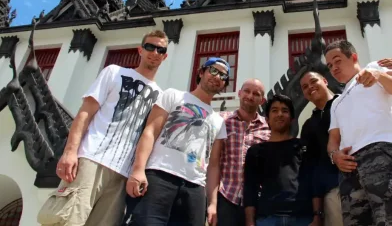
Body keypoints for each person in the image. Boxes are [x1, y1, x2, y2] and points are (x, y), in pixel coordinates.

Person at [37, 30, 169, 226]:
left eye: (160, 49)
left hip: (123, 173)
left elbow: (149, 137)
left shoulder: (161, 97)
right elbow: (85, 113)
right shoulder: (114, 72)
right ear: (140, 50)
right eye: (150, 47)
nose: (155, 52)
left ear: (165, 56)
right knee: (67, 220)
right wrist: (70, 152)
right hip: (91, 159)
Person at [124, 57, 230, 226]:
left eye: (223, 76)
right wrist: (138, 170)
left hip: (195, 188)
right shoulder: (173, 95)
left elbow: (214, 165)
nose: (217, 77)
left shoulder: (219, 121)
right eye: (214, 71)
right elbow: (150, 131)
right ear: (202, 72)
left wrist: (212, 203)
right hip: (159, 176)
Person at [325, 40, 392, 226]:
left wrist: (379, 76)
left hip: (383, 154)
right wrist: (335, 156)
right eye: (329, 65)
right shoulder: (336, 102)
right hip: (349, 171)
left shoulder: (374, 69)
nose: (334, 68)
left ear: (353, 57)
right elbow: (333, 140)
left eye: (337, 61)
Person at [299, 58, 392, 226]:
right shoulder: (309, 126)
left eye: (313, 81)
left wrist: (390, 76)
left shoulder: (349, 101)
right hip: (335, 191)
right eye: (304, 87)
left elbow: (390, 108)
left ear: (325, 81)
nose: (310, 87)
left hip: (375, 176)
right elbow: (311, 167)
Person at [244, 94, 320, 226]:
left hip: (303, 218)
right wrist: (250, 222)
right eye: (274, 110)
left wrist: (318, 216)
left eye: (285, 111)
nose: (280, 114)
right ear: (267, 119)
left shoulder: (303, 147)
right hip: (267, 219)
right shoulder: (255, 151)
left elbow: (314, 183)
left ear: (291, 119)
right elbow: (250, 189)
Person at [212, 79, 269, 226]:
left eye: (256, 94)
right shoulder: (220, 120)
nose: (250, 96)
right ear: (239, 93)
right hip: (225, 196)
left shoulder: (268, 127)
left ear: (262, 100)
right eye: (247, 91)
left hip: (257, 199)